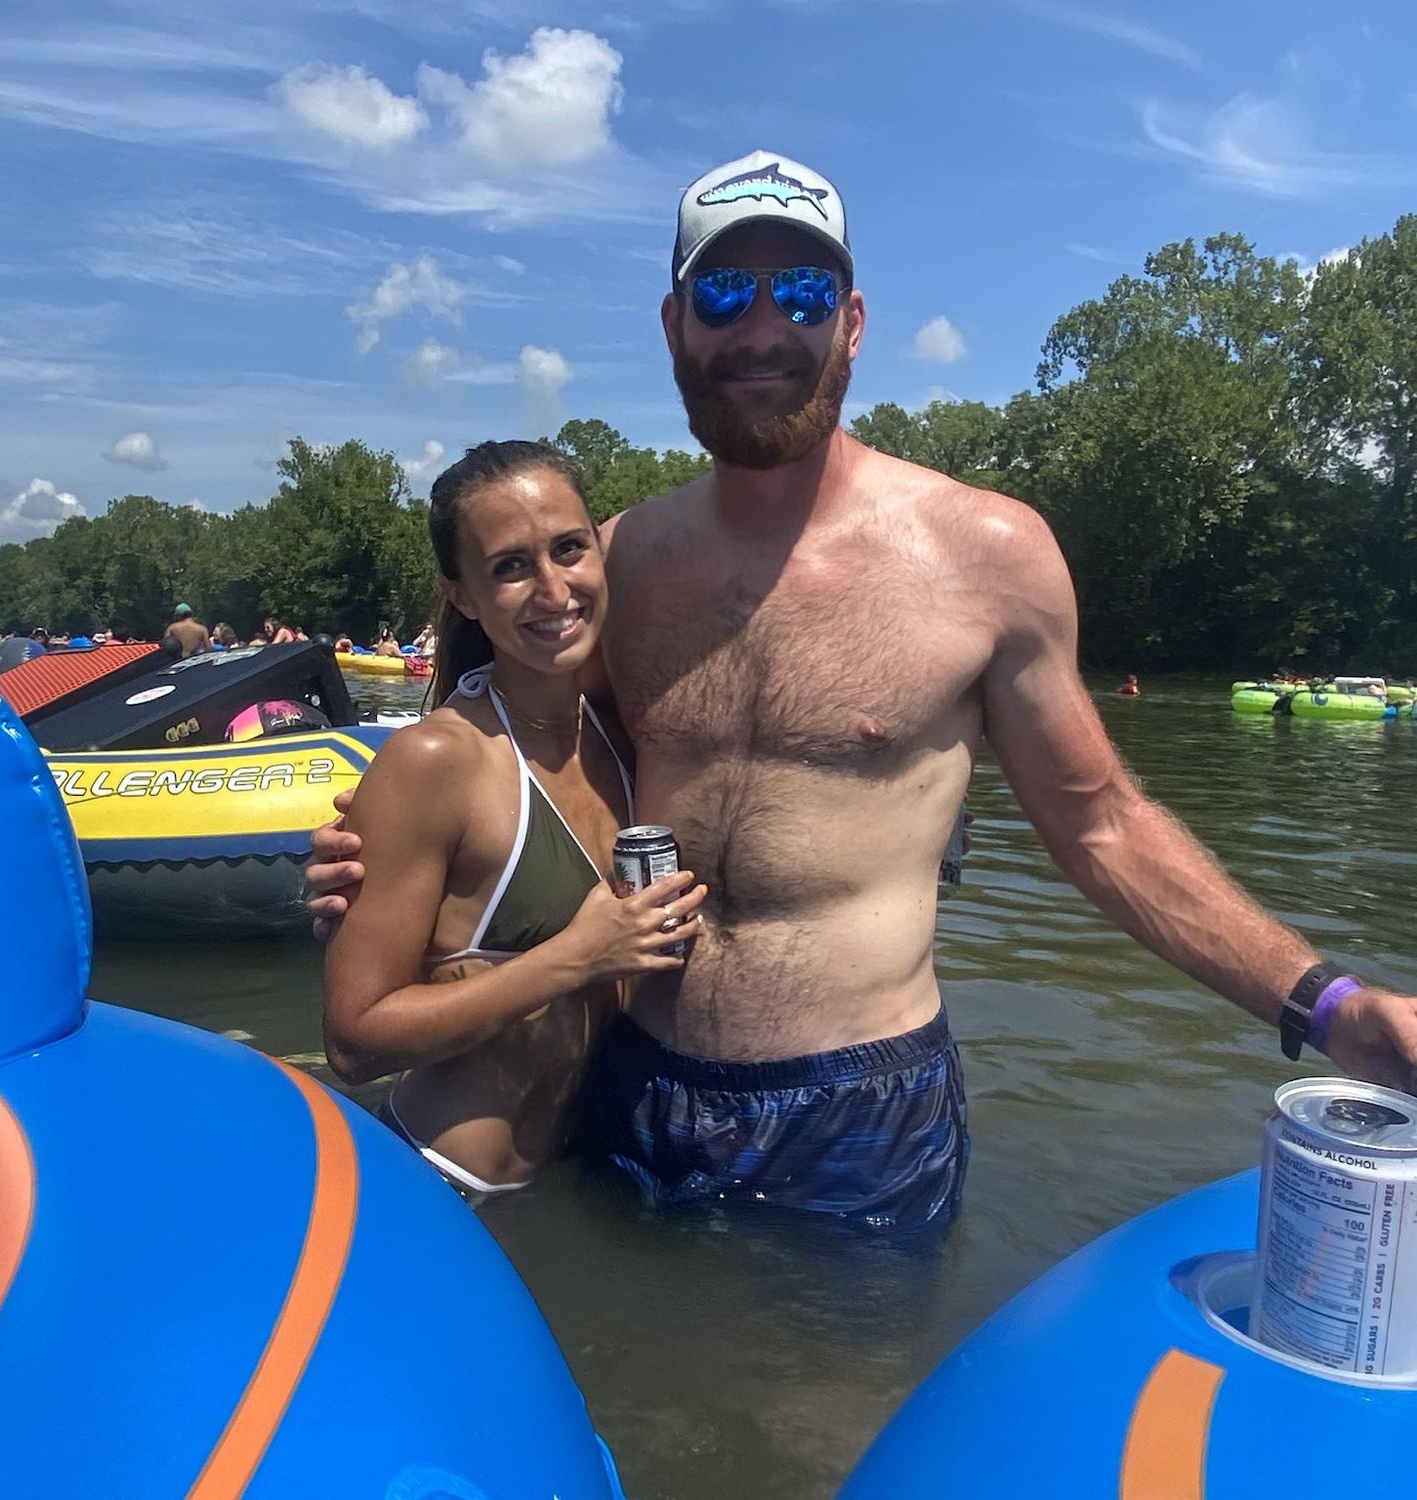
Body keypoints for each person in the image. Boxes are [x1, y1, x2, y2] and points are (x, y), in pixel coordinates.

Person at [308, 148, 1417, 1232]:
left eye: (801, 291)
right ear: (674, 324)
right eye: (725, 292)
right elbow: (515, 745)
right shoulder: (617, 562)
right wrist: (387, 865)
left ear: (852, 321)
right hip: (628, 1084)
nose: (761, 328)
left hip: (859, 1115)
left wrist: (1329, 1005)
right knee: (624, 1396)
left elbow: (1103, 826)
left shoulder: (987, 555)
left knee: (833, 1420)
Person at [321, 441, 707, 1195]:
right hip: (442, 1183)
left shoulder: (619, 735)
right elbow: (354, 1040)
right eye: (510, 567)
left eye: (570, 550)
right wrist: (577, 957)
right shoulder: (437, 759)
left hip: (571, 1181)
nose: (554, 589)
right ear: (462, 594)